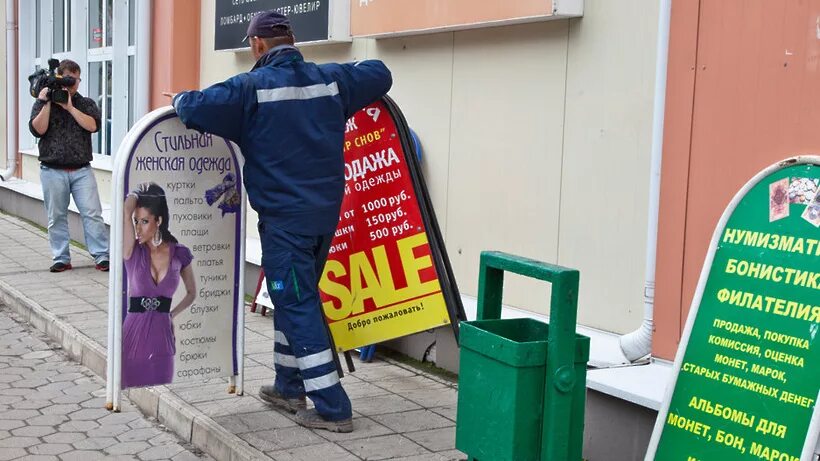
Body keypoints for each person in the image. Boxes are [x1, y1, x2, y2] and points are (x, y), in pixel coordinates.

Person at [171, 11, 392, 432]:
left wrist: (179, 98)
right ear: (293, 41)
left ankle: (332, 406)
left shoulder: (249, 88)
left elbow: (195, 106)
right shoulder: (331, 81)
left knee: (295, 303)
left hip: (285, 223)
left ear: (257, 46)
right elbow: (379, 73)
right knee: (298, 298)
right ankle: (287, 387)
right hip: (324, 216)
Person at [29, 59, 110, 273]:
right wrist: (47, 102)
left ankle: (102, 255)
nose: (73, 85)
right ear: (60, 78)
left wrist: (70, 107)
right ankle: (61, 257)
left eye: (76, 80)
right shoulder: (44, 101)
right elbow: (38, 130)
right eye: (69, 80)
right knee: (56, 216)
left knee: (92, 213)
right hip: (52, 170)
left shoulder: (86, 103)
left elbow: (93, 126)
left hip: (81, 170)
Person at [121, 183, 196, 388]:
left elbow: (191, 293)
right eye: (136, 222)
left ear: (159, 220)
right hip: (133, 335)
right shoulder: (132, 251)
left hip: (162, 337)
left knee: (163, 390)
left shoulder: (179, 253)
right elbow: (126, 211)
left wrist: (172, 314)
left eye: (144, 221)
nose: (137, 228)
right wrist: (137, 193)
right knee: (130, 392)